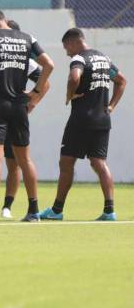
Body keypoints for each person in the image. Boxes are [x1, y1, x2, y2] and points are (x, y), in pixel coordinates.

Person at [0, 9, 54, 223]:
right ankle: (34, 211)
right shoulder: (28, 38)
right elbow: (49, 65)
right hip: (19, 106)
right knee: (24, 159)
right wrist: (34, 93)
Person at [40, 28, 126, 221]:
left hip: (81, 120)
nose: (67, 53)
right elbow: (121, 81)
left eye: (66, 48)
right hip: (103, 119)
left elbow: (75, 77)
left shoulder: (79, 59)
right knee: (99, 163)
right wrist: (111, 106)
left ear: (73, 42)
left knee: (66, 162)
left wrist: (69, 95)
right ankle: (109, 211)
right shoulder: (104, 59)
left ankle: (56, 210)